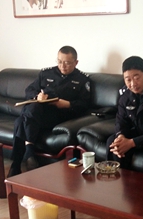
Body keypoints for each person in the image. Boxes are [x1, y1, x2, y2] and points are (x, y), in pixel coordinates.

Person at [8, 45, 91, 176]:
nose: (62, 66)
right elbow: (29, 90)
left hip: (59, 116)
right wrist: (37, 96)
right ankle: (23, 159)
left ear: (76, 62)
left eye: (67, 63)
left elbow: (85, 104)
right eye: (59, 61)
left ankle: (19, 161)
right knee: (30, 111)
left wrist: (67, 104)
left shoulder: (82, 79)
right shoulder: (46, 74)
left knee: (21, 120)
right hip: (38, 113)